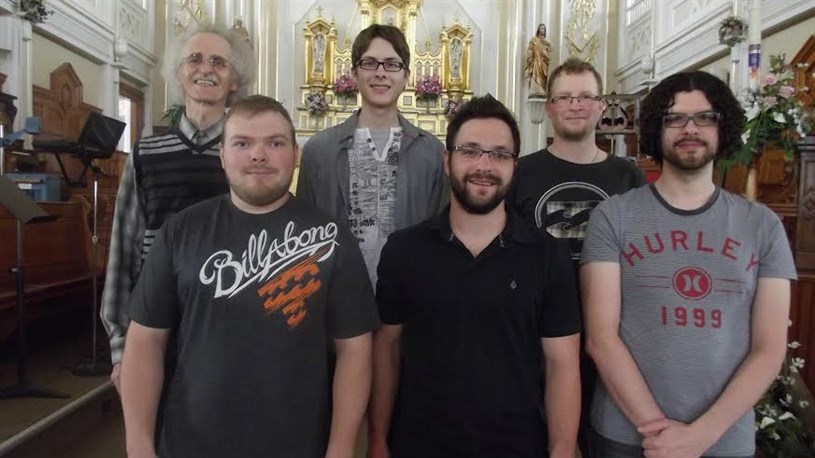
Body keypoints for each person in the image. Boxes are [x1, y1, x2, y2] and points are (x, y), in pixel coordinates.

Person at [120, 95, 379, 458]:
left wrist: (341, 448)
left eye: (275, 143)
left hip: (298, 444)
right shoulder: (180, 231)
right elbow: (145, 340)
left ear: (296, 154)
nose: (258, 155)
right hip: (190, 442)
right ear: (222, 154)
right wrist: (138, 446)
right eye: (242, 143)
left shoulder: (332, 238)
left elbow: (355, 348)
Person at [581, 71, 796, 457]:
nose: (690, 129)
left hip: (722, 438)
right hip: (626, 436)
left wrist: (700, 436)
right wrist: (658, 432)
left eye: (705, 117)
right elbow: (601, 337)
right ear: (656, 128)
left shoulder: (763, 226)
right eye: (675, 118)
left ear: (723, 127)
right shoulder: (613, 216)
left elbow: (769, 348)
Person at [369, 95, 581, 458]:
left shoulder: (548, 256)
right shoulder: (404, 251)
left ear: (514, 165)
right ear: (447, 160)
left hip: (516, 446)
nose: (484, 165)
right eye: (470, 151)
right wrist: (376, 439)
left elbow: (562, 364)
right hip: (419, 444)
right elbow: (386, 350)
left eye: (500, 154)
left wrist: (561, 450)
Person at [101, 23, 255, 391]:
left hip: (229, 314)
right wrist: (120, 345)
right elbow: (123, 253)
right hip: (157, 315)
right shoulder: (146, 153)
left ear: (235, 80)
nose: (206, 69)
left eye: (219, 62)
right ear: (178, 73)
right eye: (195, 59)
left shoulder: (247, 156)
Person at [508, 57, 644, 454]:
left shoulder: (627, 176)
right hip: (535, 332)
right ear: (549, 107)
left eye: (585, 96)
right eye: (564, 97)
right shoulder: (521, 172)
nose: (575, 105)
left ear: (602, 106)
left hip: (611, 331)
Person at [297, 24, 447, 287]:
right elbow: (304, 232)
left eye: (391, 64)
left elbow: (440, 233)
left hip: (410, 293)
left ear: (406, 76)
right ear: (354, 73)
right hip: (337, 292)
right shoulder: (319, 151)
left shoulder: (431, 152)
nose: (380, 73)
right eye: (369, 63)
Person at [524, 23, 551, 96]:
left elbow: (549, 52)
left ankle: (542, 91)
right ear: (538, 29)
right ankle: (535, 90)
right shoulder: (534, 40)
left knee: (543, 78)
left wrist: (548, 49)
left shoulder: (546, 41)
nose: (542, 30)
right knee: (535, 75)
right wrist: (530, 56)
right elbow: (530, 49)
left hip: (544, 63)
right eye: (541, 28)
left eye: (543, 29)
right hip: (536, 61)